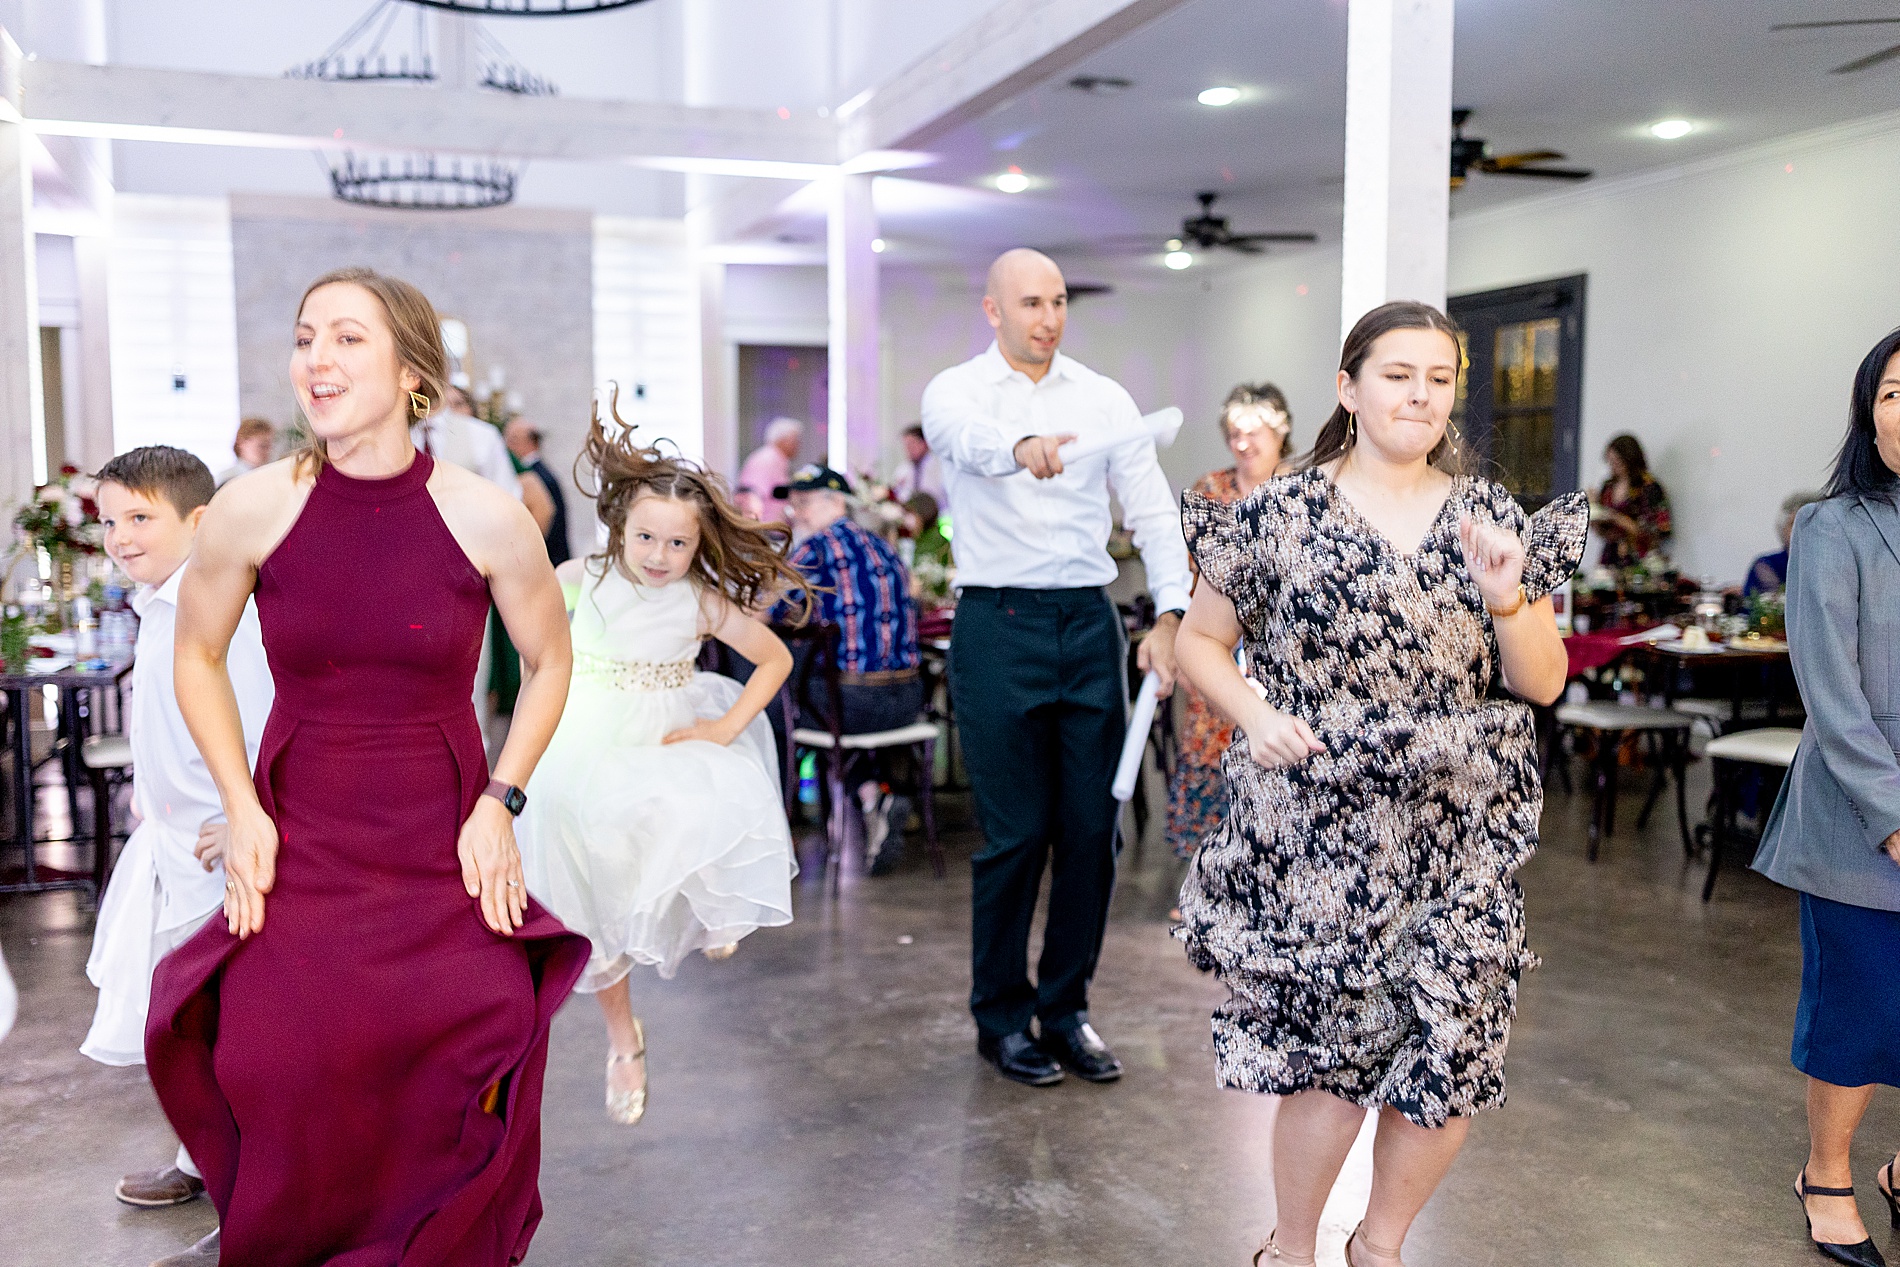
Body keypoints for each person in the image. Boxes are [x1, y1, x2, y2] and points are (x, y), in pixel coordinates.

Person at [146, 266, 588, 1267]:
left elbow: (553, 659)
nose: (317, 359)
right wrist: (239, 806)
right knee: (278, 1059)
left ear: (413, 370)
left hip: (441, 834)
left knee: (466, 1040)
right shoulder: (253, 508)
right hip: (300, 829)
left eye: (347, 337)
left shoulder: (488, 513)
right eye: (307, 337)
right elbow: (197, 653)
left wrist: (500, 799)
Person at [1173, 301, 1586, 1267]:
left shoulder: (1488, 518)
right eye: (1398, 374)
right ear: (1348, 388)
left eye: (1439, 378)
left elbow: (1543, 680)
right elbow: (1201, 640)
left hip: (1459, 828)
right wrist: (1259, 714)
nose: (1420, 394)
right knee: (1333, 1058)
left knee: (1456, 1047)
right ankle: (1293, 1248)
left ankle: (1383, 1247)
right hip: (1325, 822)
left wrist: (1508, 597)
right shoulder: (1279, 513)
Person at [921, 247, 1190, 1088]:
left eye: (1059, 300)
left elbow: (1151, 508)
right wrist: (1020, 446)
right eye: (1031, 303)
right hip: (996, 623)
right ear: (994, 310)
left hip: (1087, 621)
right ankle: (1000, 1017)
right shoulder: (955, 390)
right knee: (1016, 833)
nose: (1049, 317)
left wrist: (1172, 615)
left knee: (1092, 831)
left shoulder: (1104, 398)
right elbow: (962, 442)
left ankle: (1065, 1007)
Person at [517, 412, 803, 1128]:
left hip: (664, 736)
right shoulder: (574, 579)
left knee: (693, 803)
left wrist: (726, 727)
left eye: (678, 542)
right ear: (618, 523)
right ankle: (623, 1038)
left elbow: (774, 658)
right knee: (585, 904)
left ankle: (710, 898)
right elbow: (535, 664)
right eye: (645, 536)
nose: (658, 553)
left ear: (699, 544)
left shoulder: (699, 599)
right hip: (583, 739)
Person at [79, 448, 275, 1264]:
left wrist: (247, 812)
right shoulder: (155, 603)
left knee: (226, 1027)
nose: (120, 537)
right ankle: (205, 1159)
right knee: (181, 1022)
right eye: (108, 521)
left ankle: (255, 1206)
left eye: (140, 518)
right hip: (167, 839)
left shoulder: (227, 611)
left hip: (218, 848)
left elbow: (264, 721)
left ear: (200, 521)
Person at [1752, 326, 1900, 1267]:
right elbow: (1833, 694)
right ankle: (1828, 1174)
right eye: (1892, 392)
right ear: (1868, 414)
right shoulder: (1834, 524)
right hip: (1861, 813)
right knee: (1863, 1006)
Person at [774, 464, 924, 873]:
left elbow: (771, 611)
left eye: (803, 503)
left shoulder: (816, 549)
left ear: (836, 502)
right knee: (831, 702)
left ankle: (775, 828)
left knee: (776, 704)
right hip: (909, 700)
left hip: (853, 705)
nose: (796, 514)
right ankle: (875, 795)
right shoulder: (884, 546)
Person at [1167, 382, 1295, 861]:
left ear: (1279, 432)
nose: (1245, 442)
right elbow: (1189, 570)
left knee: (1275, 751)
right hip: (1216, 638)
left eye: (1255, 431)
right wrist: (1183, 637)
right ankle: (1205, 872)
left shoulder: (1301, 486)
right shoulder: (1210, 490)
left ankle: (1269, 874)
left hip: (1282, 645)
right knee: (1208, 748)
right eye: (1235, 433)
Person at [1592, 432, 1672, 567]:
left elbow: (1658, 531)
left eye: (1617, 462)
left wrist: (1616, 518)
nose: (1613, 466)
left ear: (1630, 459)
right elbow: (1603, 531)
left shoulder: (1648, 487)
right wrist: (1593, 510)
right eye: (1610, 462)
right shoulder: (1608, 487)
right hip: (1611, 557)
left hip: (1640, 558)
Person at [504, 417, 572, 566]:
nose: (507, 445)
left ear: (531, 441)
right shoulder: (542, 472)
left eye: (513, 439)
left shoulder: (537, 477)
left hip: (549, 559)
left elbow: (548, 516)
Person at [1744, 490, 1825, 597]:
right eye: (1794, 524)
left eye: (1811, 524)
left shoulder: (1834, 566)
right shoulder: (1766, 565)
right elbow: (1752, 608)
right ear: (1783, 528)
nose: (1801, 531)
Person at [737, 417, 803, 522]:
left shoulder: (777, 459)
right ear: (782, 439)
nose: (798, 446)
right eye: (794, 441)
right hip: (764, 527)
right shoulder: (767, 459)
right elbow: (752, 495)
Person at [890, 423, 947, 503]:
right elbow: (898, 494)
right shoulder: (903, 469)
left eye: (912, 443)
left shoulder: (940, 467)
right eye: (906, 445)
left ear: (925, 443)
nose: (908, 449)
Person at [216, 418, 274, 487]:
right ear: (241, 443)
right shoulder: (227, 479)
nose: (268, 451)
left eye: (269, 446)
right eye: (262, 445)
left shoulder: (272, 477)